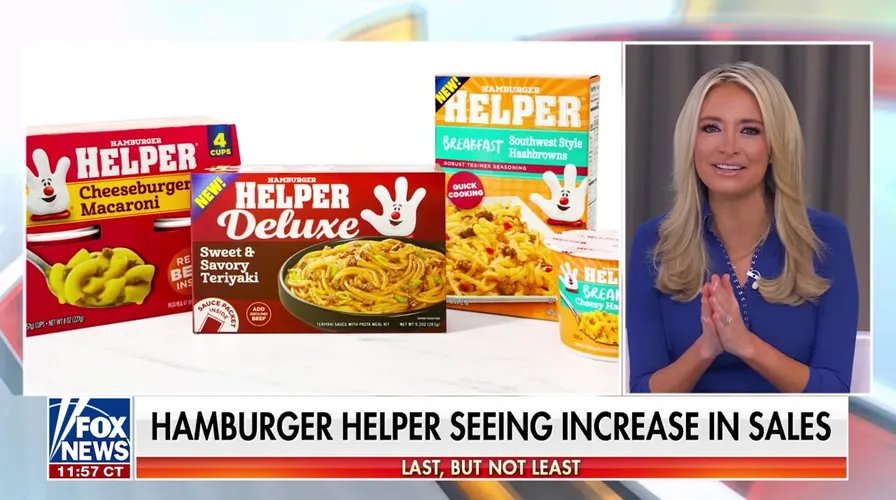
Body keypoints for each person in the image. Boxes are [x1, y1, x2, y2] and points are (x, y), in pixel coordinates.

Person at [626, 61, 859, 393]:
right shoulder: (654, 241)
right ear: (691, 143)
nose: (728, 146)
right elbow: (642, 394)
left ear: (774, 147)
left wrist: (745, 345)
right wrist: (706, 349)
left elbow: (835, 392)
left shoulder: (825, 238)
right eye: (711, 128)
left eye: (750, 130)